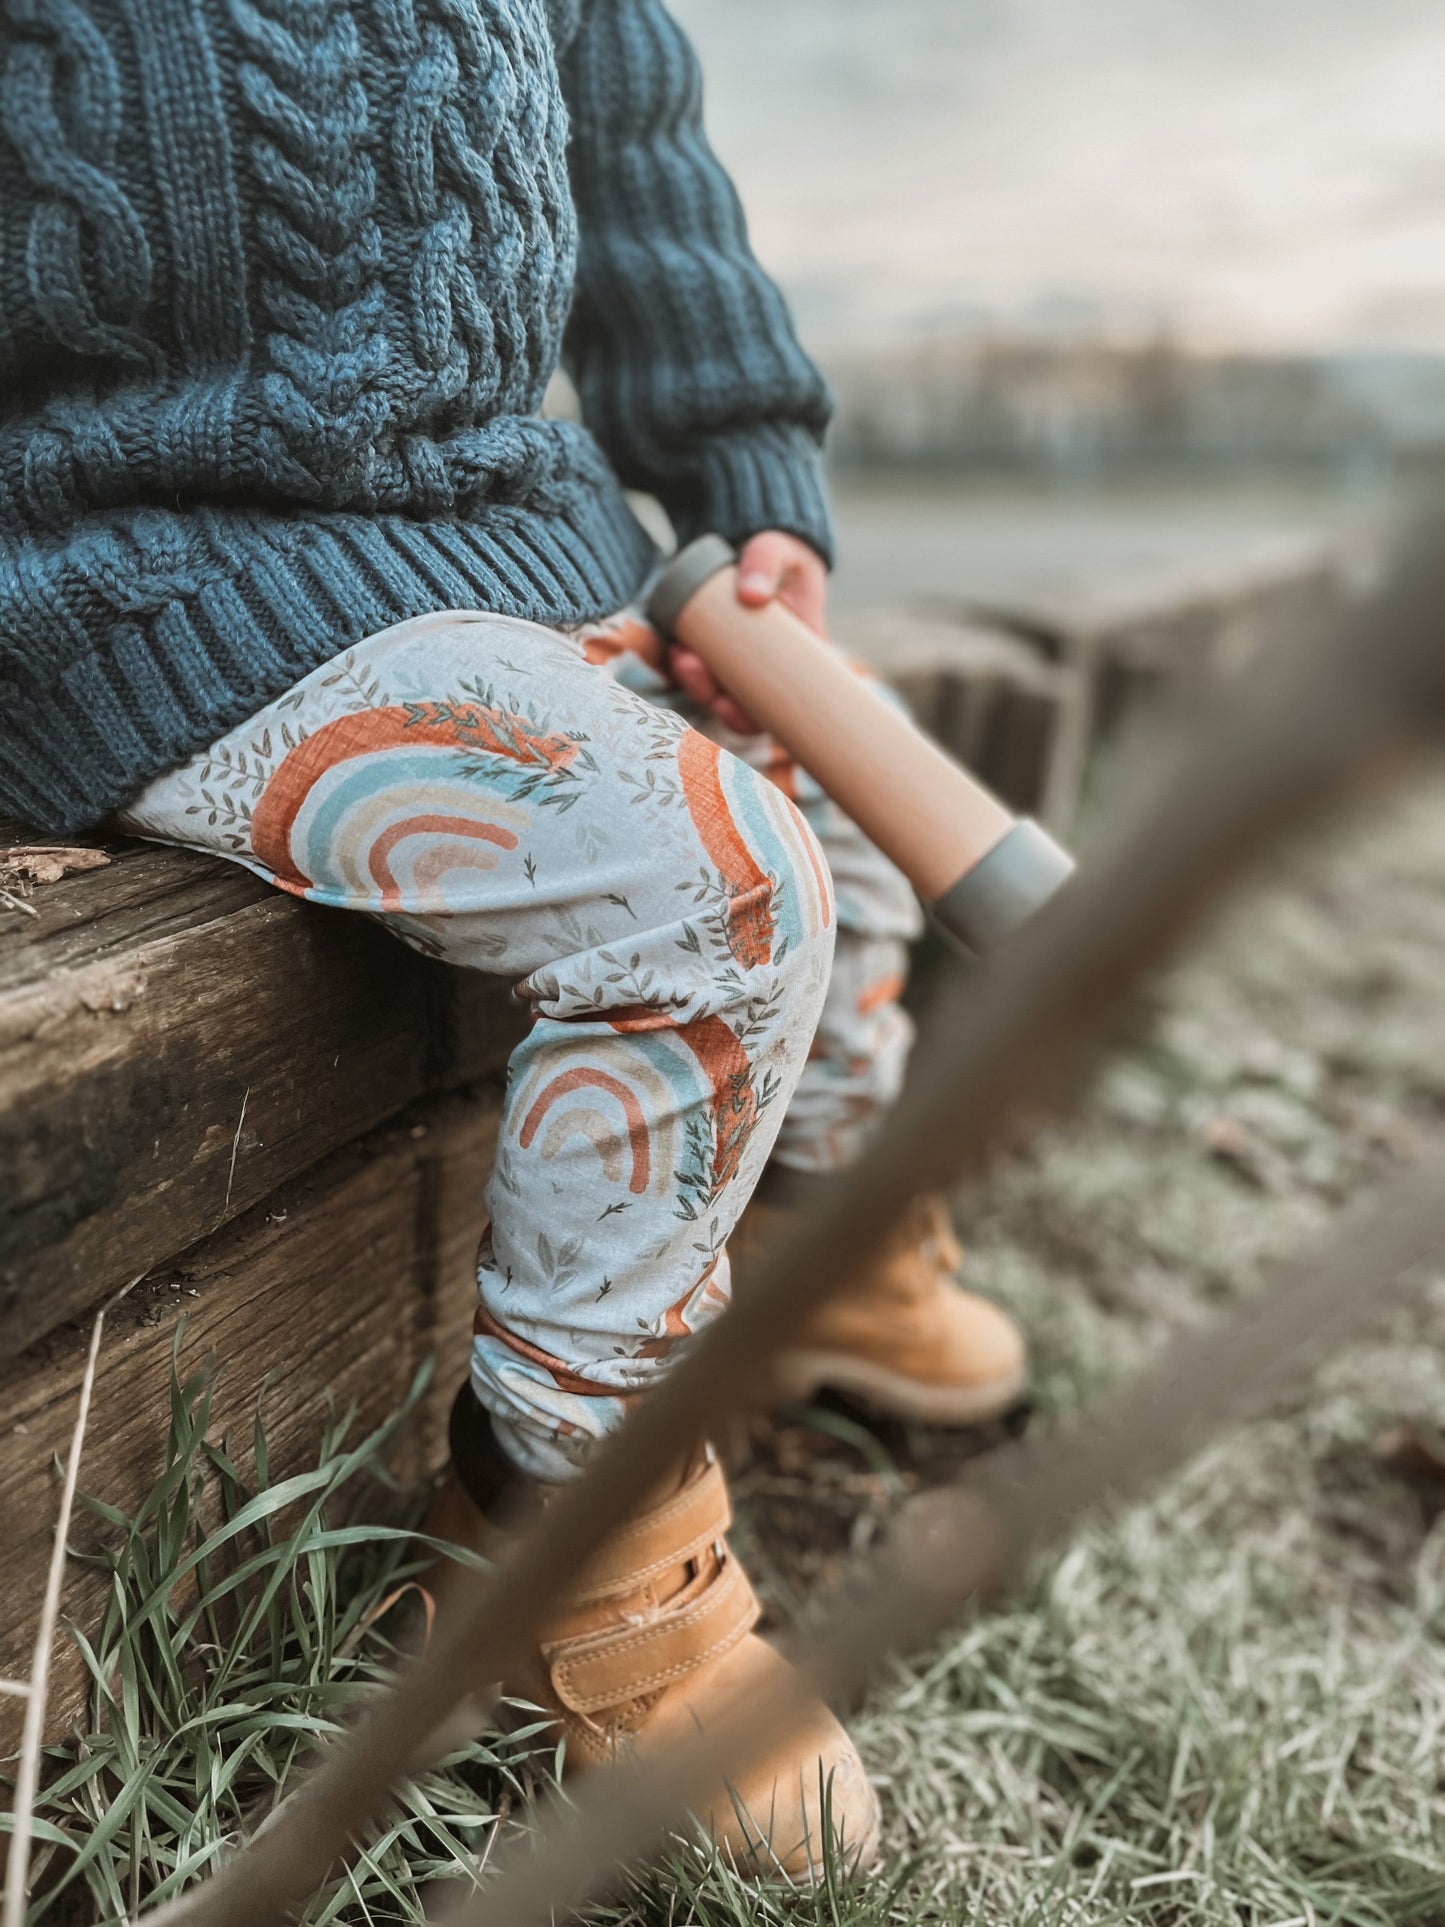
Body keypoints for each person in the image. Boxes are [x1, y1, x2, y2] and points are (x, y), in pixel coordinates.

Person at [0, 0, 1024, 1877]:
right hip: (162, 578)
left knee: (854, 830)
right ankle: (563, 1521)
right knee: (708, 883)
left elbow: (640, 166)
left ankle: (810, 1254)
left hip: (524, 543)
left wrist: (745, 490)